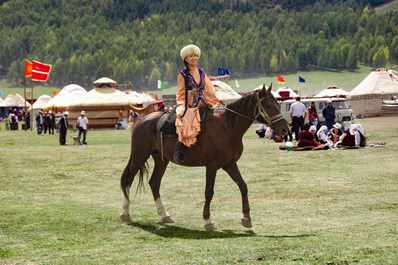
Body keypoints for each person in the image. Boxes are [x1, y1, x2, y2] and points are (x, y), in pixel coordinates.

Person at [174, 44, 220, 164]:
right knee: (186, 120)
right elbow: (180, 93)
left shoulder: (201, 72)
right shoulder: (183, 74)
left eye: (195, 56)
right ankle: (178, 150)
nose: (194, 58)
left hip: (203, 101)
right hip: (188, 103)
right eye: (191, 56)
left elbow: (209, 88)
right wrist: (190, 93)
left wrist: (215, 99)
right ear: (185, 59)